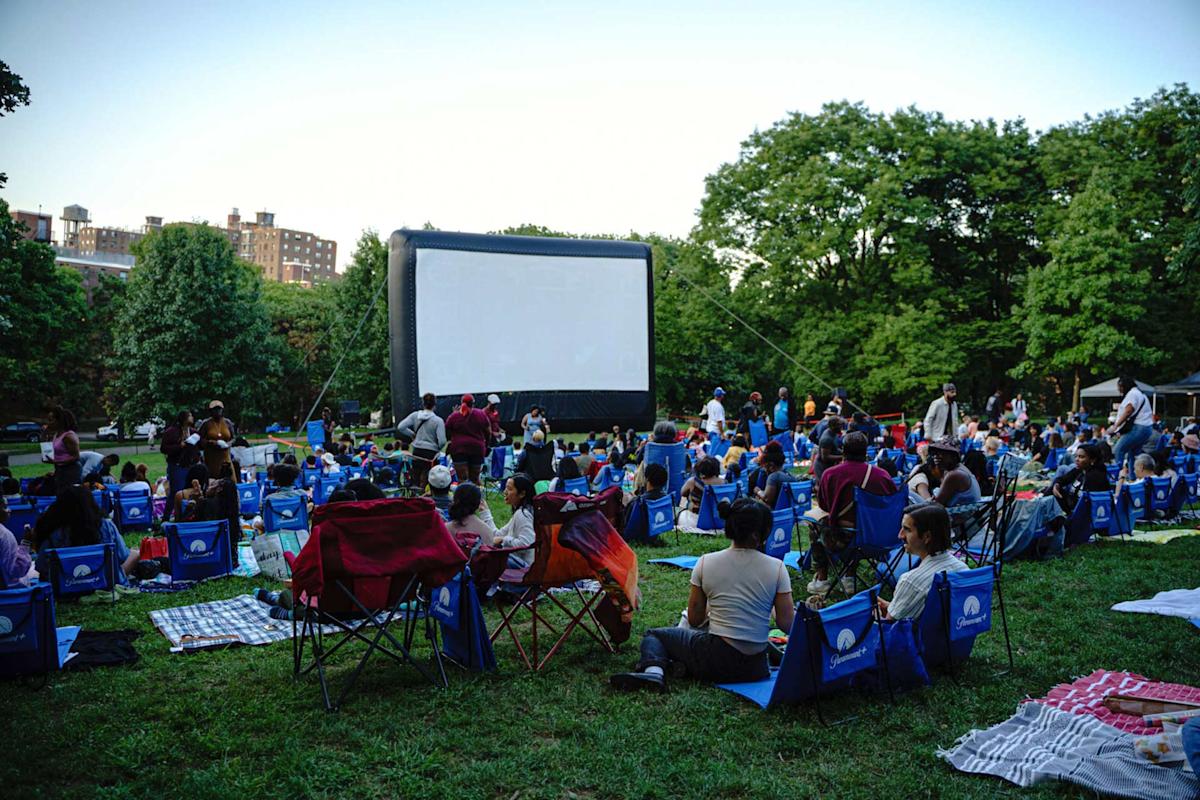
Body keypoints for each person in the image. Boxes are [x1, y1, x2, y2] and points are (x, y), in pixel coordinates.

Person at [610, 497, 795, 692]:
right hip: (756, 667)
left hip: (714, 661)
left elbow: (695, 620)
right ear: (762, 533)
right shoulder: (777, 568)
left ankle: (654, 672)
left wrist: (713, 607)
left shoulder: (706, 562)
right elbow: (787, 624)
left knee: (655, 635)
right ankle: (677, 666)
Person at [808, 432, 897, 595]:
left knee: (815, 526)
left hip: (844, 540)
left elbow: (824, 505)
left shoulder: (831, 474)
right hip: (882, 539)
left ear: (843, 451)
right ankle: (849, 576)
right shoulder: (882, 475)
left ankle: (822, 580)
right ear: (866, 452)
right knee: (857, 523)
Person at [26, 485, 138, 584]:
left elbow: (41, 567)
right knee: (135, 553)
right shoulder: (106, 526)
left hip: (63, 586)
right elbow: (122, 556)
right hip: (105, 582)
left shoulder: (53, 531)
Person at [877, 504, 966, 621]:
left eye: (907, 530)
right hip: (952, 638)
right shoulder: (962, 569)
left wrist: (873, 613)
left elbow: (890, 625)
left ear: (927, 536)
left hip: (918, 639)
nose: (900, 535)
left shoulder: (911, 581)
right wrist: (892, 606)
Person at [396, 392, 447, 491]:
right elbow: (442, 441)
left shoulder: (415, 415)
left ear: (423, 403)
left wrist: (412, 435)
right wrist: (437, 447)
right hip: (431, 453)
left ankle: (415, 497)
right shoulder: (438, 420)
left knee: (416, 477)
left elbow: (401, 426)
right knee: (428, 478)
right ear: (435, 405)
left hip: (417, 450)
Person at [1110, 375, 1155, 479]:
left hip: (1138, 428)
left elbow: (1129, 410)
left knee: (1118, 450)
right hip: (1146, 429)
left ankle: (1119, 477)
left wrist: (1115, 425)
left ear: (1124, 385)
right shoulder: (1140, 394)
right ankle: (1134, 477)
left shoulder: (1132, 394)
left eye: (1120, 387)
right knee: (1133, 454)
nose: (1118, 389)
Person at [160, 410, 200, 520]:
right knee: (176, 492)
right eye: (190, 415)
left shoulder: (192, 431)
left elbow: (198, 448)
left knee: (191, 491)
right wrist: (180, 446)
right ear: (183, 418)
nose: (192, 417)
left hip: (191, 465)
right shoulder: (171, 432)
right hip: (177, 465)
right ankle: (166, 517)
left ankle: (187, 515)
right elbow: (164, 448)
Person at [1050, 444, 1110, 514]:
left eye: (1081, 457)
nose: (1076, 459)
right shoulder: (1080, 469)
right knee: (1051, 492)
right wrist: (1057, 484)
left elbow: (1087, 507)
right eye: (1076, 456)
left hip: (1079, 515)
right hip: (1071, 506)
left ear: (1092, 459)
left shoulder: (1095, 477)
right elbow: (1063, 479)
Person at [444, 394, 491, 485]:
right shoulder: (481, 414)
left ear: (462, 403)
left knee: (462, 479)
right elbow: (488, 432)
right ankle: (476, 498)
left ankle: (463, 498)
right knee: (475, 479)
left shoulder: (454, 416)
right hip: (477, 449)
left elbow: (447, 431)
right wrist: (486, 445)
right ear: (473, 403)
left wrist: (451, 441)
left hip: (458, 450)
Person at [925, 438, 982, 507]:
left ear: (953, 456)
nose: (936, 456)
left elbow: (937, 504)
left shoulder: (955, 475)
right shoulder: (956, 468)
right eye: (935, 453)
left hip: (961, 515)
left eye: (942, 453)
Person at [678, 456, 726, 529]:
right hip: (719, 520)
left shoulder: (693, 482)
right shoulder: (724, 483)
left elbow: (682, 493)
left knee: (679, 512)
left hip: (696, 520)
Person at [0, 495, 37, 588]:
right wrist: (26, 543)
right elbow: (16, 571)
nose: (9, 510)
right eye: (4, 507)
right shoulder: (5, 535)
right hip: (9, 592)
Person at [45, 405, 82, 490]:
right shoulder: (57, 435)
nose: (48, 423)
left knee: (69, 496)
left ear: (59, 421)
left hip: (70, 471)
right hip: (60, 470)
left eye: (51, 420)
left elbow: (76, 457)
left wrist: (56, 461)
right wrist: (44, 434)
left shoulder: (68, 436)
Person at [197, 400, 235, 479]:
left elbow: (233, 438)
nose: (217, 411)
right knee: (213, 480)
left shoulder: (227, 422)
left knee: (229, 479)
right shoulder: (206, 423)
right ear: (211, 411)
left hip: (225, 456)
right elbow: (199, 439)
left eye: (219, 409)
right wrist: (210, 442)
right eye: (215, 409)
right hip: (211, 458)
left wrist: (228, 444)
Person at [811, 415, 844, 482]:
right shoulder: (827, 439)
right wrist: (843, 457)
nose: (841, 427)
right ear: (832, 426)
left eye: (841, 424)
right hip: (822, 467)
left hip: (829, 466)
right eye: (839, 425)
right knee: (824, 488)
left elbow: (834, 448)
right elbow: (825, 457)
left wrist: (844, 452)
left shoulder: (834, 433)